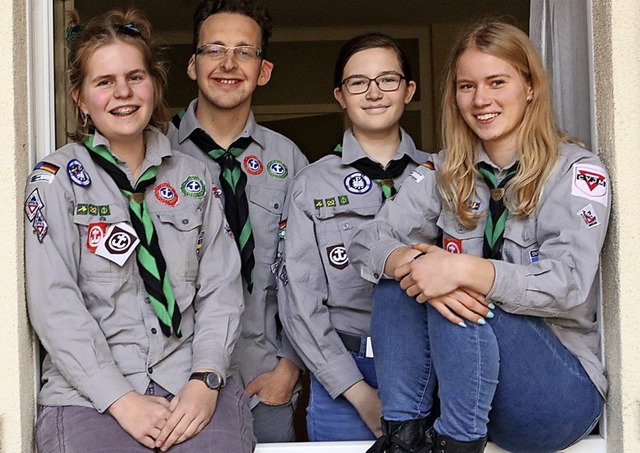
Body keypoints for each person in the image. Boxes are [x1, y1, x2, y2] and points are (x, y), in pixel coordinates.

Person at [348, 20, 609, 453]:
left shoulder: (576, 173)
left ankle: (459, 444)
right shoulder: (443, 170)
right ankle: (404, 436)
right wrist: (410, 264)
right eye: (466, 86)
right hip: (464, 391)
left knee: (451, 282)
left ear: (529, 87)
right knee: (400, 280)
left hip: (554, 394)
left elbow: (569, 283)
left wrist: (465, 269)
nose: (481, 99)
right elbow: (368, 239)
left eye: (497, 82)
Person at [24, 9, 254, 452]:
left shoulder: (194, 177)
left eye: (135, 77)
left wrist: (206, 379)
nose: (123, 93)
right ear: (79, 97)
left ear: (155, 85)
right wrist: (121, 400)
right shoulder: (56, 179)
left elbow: (221, 288)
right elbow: (55, 303)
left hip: (188, 378)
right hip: (90, 393)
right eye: (104, 82)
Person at [168, 0, 308, 443]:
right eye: (214, 49)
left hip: (262, 376)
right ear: (192, 65)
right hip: (173, 379)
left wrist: (289, 369)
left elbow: (309, 278)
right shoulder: (156, 153)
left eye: (244, 51)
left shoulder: (290, 161)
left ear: (263, 70)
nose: (228, 64)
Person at [276, 33, 428, 442]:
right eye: (358, 82)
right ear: (341, 96)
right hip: (345, 374)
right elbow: (299, 302)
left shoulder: (444, 175)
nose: (374, 93)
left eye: (388, 80)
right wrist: (359, 395)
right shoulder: (310, 184)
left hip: (434, 366)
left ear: (409, 91)